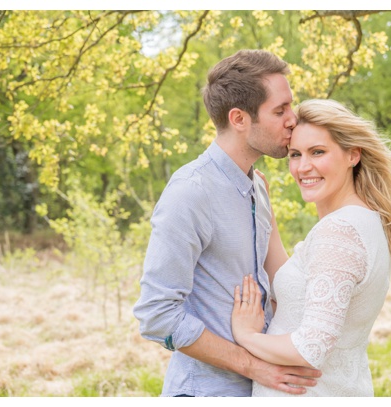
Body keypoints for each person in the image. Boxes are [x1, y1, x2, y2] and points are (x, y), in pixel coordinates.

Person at [133, 50, 321, 397]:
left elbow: (276, 284)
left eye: (290, 107)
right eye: (280, 111)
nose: (293, 120)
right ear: (239, 118)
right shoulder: (191, 192)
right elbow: (156, 314)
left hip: (263, 391)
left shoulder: (258, 187)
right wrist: (254, 366)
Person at [231, 98, 391, 396]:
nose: (303, 167)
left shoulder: (340, 232)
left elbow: (310, 348)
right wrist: (267, 215)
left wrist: (245, 335)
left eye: (317, 152)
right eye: (295, 154)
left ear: (352, 155)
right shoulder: (363, 222)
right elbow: (300, 291)